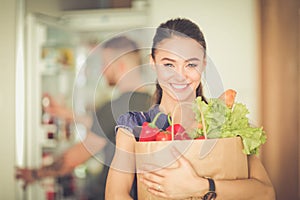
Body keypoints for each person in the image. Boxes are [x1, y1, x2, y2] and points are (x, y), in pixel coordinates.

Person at [105, 18, 275, 200]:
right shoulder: (134, 127)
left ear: (203, 64)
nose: (180, 76)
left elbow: (265, 193)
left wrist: (200, 186)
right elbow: (115, 195)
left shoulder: (224, 121)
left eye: (191, 64)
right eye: (169, 64)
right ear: (153, 63)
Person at [16, 36, 152, 199]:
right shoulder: (151, 101)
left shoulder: (112, 108)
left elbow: (73, 158)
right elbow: (108, 127)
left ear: (121, 66)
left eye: (105, 64)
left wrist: (35, 174)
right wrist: (69, 115)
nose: (102, 70)